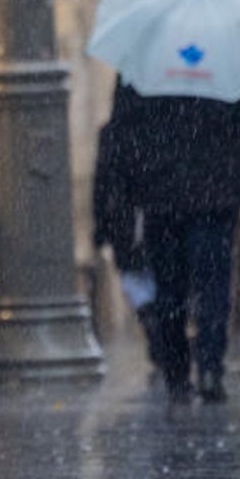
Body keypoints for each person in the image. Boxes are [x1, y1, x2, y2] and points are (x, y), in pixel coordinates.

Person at [108, 81, 240, 403]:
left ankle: (177, 374)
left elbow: (121, 131)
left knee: (169, 292)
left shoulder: (141, 65)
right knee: (213, 288)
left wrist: (139, 179)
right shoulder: (218, 57)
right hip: (214, 194)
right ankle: (210, 367)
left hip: (162, 198)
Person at [92, 88, 160, 371]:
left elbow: (101, 184)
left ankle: (152, 321)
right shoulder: (156, 126)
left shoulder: (112, 132)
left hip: (123, 221)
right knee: (158, 278)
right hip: (155, 216)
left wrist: (101, 226)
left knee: (136, 280)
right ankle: (160, 325)